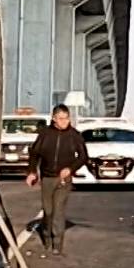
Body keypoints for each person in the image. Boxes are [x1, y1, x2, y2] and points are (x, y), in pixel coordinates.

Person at [26, 104, 89, 257]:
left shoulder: (75, 135)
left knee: (58, 210)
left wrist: (71, 169)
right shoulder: (45, 134)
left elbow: (83, 157)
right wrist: (32, 172)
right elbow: (34, 153)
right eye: (61, 119)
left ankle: (57, 242)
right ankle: (46, 235)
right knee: (48, 211)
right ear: (54, 119)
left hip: (63, 179)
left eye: (66, 118)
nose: (64, 121)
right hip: (47, 178)